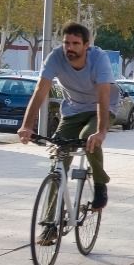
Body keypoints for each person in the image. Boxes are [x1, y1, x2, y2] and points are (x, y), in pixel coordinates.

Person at [18, 22, 116, 243]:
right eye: (66, 43)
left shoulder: (98, 59)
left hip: (101, 109)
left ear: (86, 45)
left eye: (75, 43)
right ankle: (49, 225)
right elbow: (40, 91)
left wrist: (100, 132)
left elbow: (103, 97)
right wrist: (27, 125)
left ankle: (100, 183)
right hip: (72, 111)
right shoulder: (55, 58)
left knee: (88, 139)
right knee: (58, 162)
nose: (70, 48)